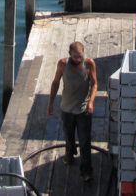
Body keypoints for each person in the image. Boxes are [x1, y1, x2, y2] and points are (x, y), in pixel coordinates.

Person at [47, 41, 97, 182]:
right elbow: (55, 82)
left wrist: (91, 101)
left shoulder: (89, 64)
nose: (78, 59)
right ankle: (69, 154)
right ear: (69, 55)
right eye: (75, 57)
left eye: (80, 56)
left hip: (83, 111)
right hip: (67, 109)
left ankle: (86, 171)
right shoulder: (62, 64)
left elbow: (94, 83)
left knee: (84, 141)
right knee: (68, 136)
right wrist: (50, 102)